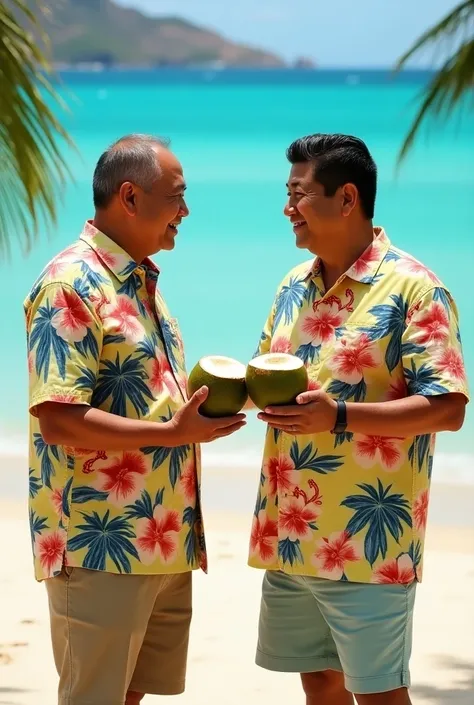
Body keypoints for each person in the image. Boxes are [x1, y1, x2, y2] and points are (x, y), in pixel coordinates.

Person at [24, 134, 246, 705]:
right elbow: (59, 419)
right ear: (129, 196)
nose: (186, 211)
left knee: (130, 695)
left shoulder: (139, 281)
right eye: (177, 196)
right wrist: (173, 434)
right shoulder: (70, 284)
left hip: (161, 535)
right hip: (100, 540)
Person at [248, 133, 468, 705]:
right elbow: (262, 379)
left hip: (368, 543)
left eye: (299, 194)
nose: (286, 208)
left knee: (379, 695)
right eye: (287, 192)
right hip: (291, 534)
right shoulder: (292, 286)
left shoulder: (417, 290)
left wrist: (340, 416)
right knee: (319, 686)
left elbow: (448, 408)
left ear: (347, 199)